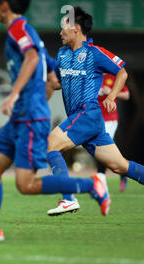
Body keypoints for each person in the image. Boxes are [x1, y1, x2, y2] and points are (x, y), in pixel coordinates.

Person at [0, 0, 119, 242]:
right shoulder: (27, 32)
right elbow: (49, 69)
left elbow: (33, 59)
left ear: (4, 6)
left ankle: (91, 186)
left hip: (29, 119)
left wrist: (14, 95)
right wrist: (45, 88)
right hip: (21, 117)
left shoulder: (19, 28)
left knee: (25, 185)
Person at [45, 6, 143, 217]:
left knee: (51, 143)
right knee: (119, 166)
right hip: (85, 121)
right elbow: (56, 83)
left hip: (87, 114)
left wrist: (111, 96)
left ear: (76, 29)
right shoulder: (62, 54)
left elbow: (122, 72)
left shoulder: (94, 53)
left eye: (64, 27)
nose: (60, 32)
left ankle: (68, 198)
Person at [97, 74, 130, 192]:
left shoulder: (114, 77)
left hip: (110, 118)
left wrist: (111, 92)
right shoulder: (92, 76)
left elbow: (126, 95)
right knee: (106, 148)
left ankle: (101, 179)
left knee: (102, 147)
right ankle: (123, 173)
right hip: (96, 119)